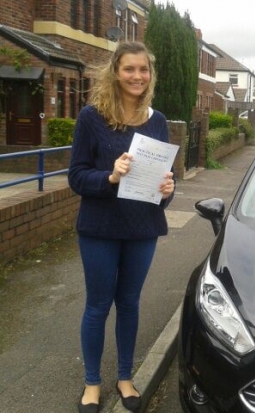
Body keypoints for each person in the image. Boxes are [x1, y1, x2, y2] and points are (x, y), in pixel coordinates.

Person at [68, 41, 175, 413]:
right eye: (129, 69)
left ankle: (125, 376)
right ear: (116, 71)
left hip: (142, 228)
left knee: (129, 303)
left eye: (143, 70)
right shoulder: (91, 117)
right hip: (99, 228)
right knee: (98, 305)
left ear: (150, 74)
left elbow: (160, 183)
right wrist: (111, 176)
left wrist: (167, 190)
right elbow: (77, 177)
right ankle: (92, 383)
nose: (137, 76)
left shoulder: (157, 120)